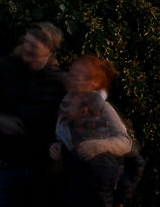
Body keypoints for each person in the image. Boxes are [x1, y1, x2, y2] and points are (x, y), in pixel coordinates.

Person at [0, 23, 69, 207]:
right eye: (26, 42)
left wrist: (61, 143)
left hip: (41, 169)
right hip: (5, 163)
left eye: (34, 46)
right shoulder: (4, 68)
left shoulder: (60, 81)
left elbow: (76, 120)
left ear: (49, 51)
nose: (27, 48)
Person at [52, 55, 136, 207]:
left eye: (81, 76)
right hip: (74, 181)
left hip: (99, 185)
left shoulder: (104, 109)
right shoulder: (65, 105)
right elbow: (64, 137)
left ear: (94, 83)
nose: (75, 79)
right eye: (74, 74)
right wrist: (58, 146)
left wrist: (98, 146)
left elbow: (126, 142)